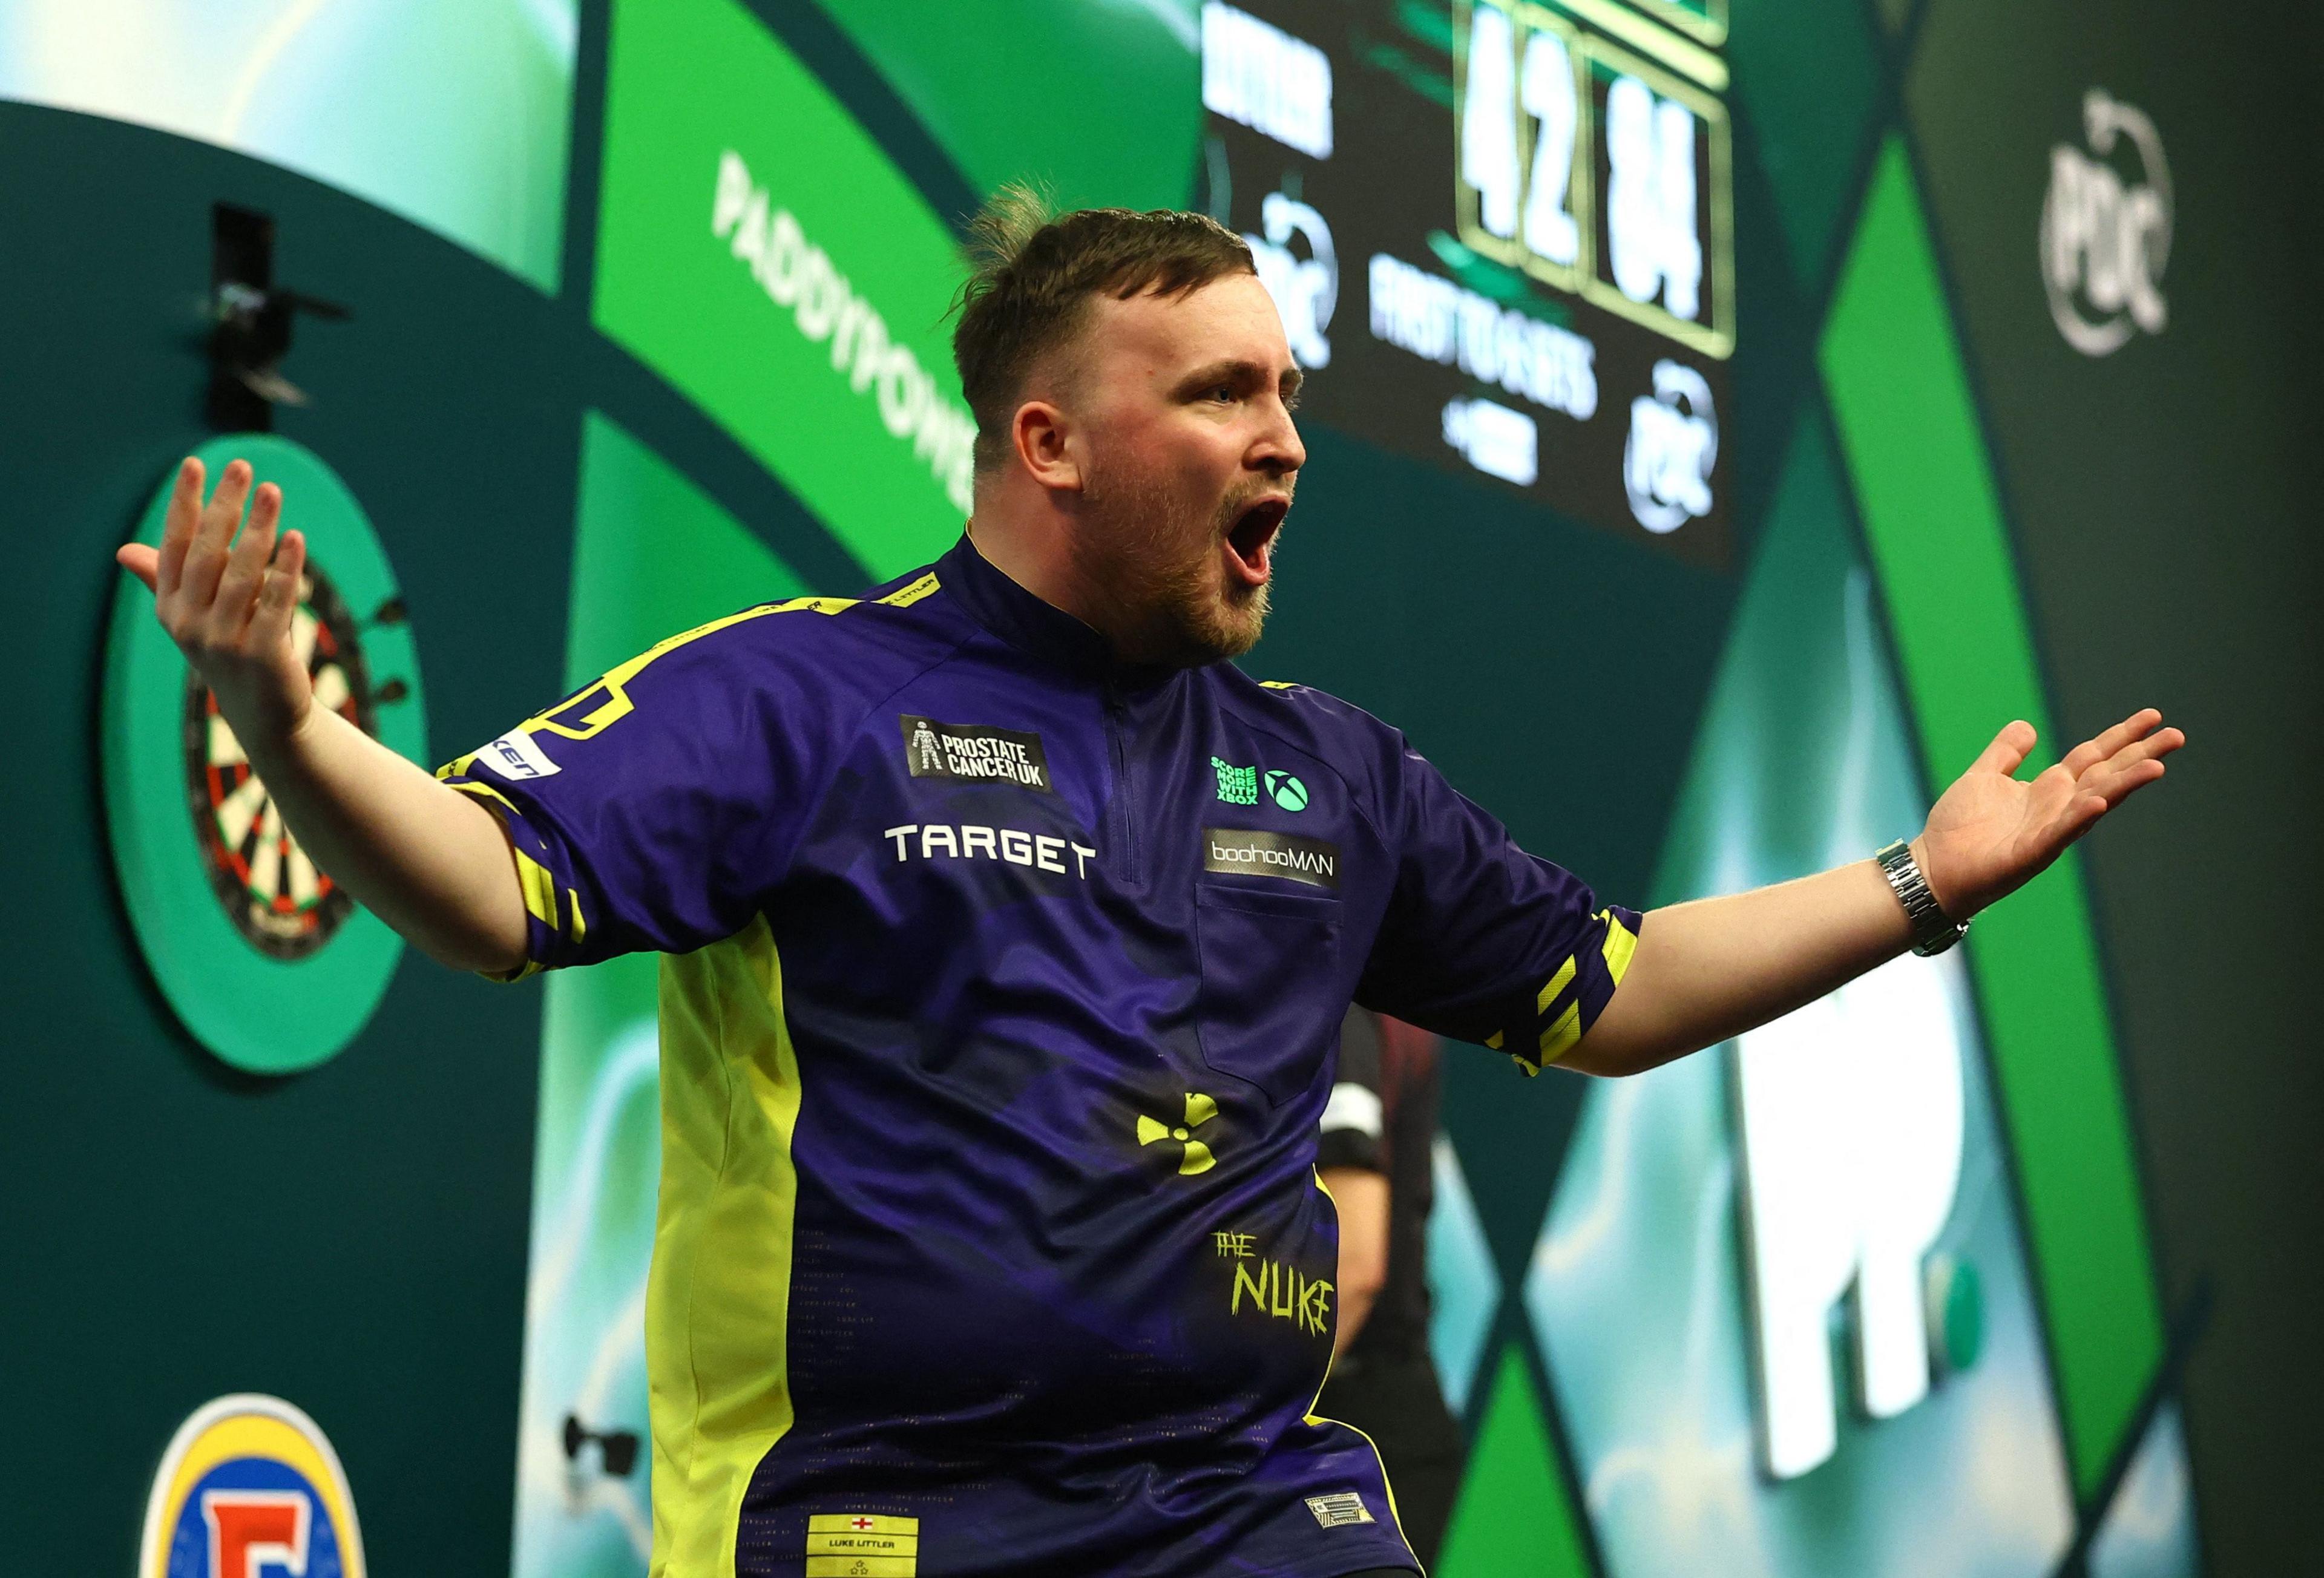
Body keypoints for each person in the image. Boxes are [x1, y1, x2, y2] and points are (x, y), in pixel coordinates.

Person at [117, 191, 2182, 1578]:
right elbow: (486, 884)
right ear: (1051, 443)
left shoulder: (1329, 770)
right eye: (1224, 392)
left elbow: (1614, 983)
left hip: (1244, 1503)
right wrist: (295, 733)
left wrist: (1923, 878)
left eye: (1288, 391)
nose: (1287, 434)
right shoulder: (799, 697)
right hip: (881, 1513)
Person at [1315, 1009, 1463, 1567]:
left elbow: (1351, 1269)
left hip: (1358, 1429)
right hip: (1355, 1422)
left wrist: (1220, 1432)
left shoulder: (1336, 1010)